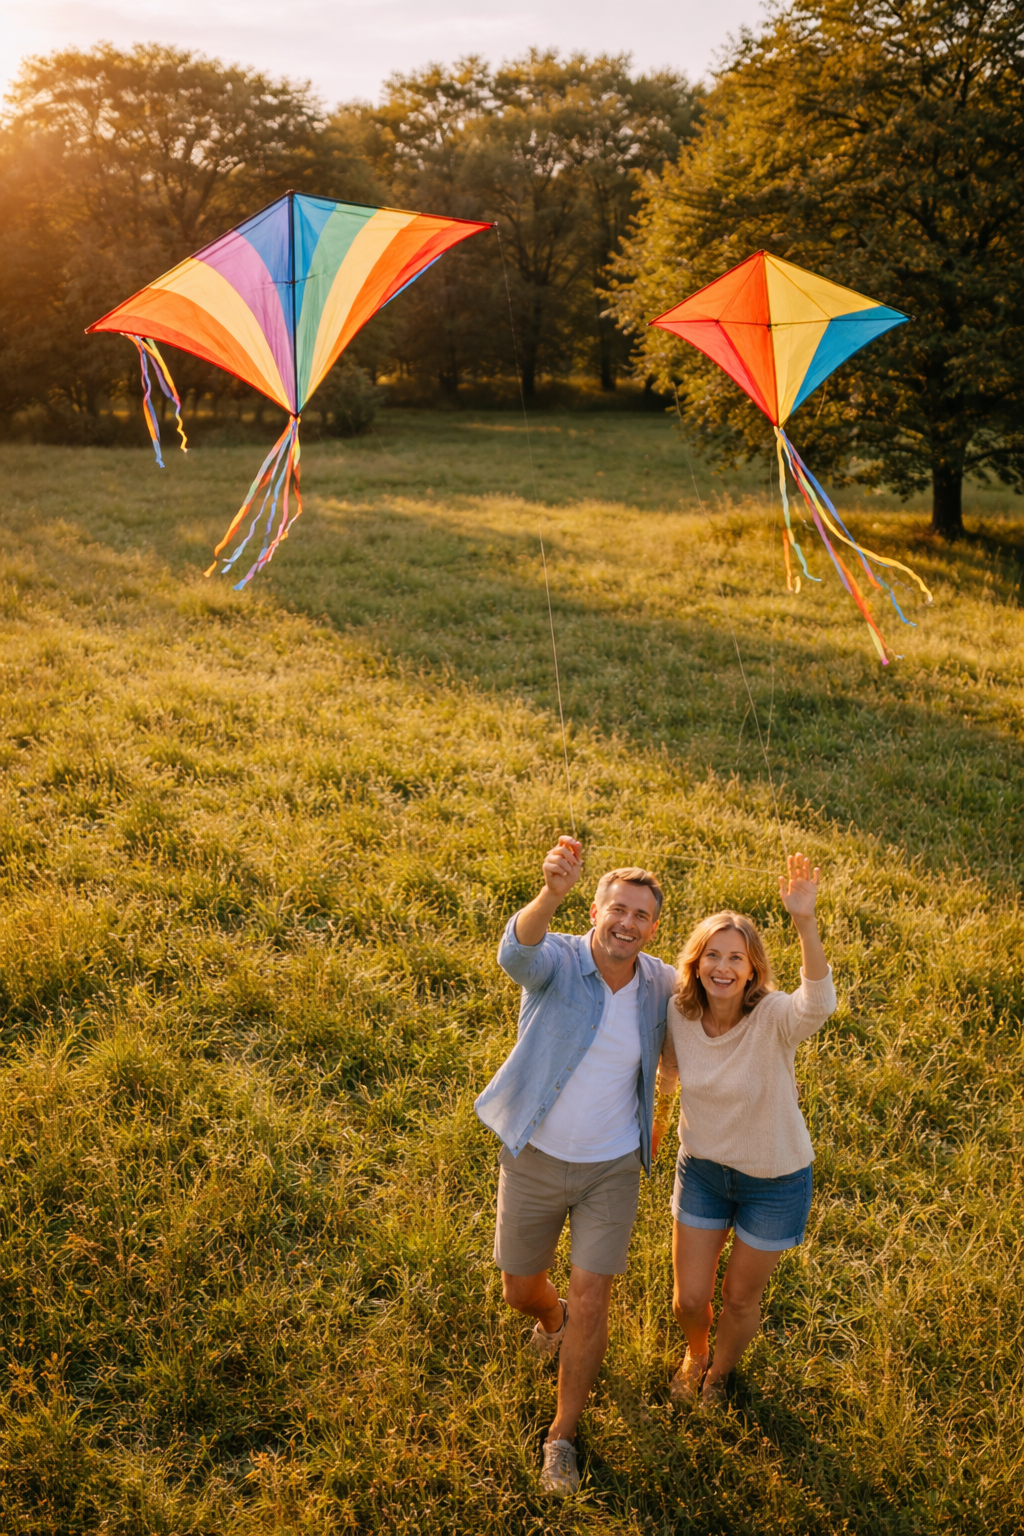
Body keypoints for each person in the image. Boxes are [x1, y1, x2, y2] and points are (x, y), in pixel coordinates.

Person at [475, 837, 676, 1497]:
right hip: (532, 1154)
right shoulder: (558, 958)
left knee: (594, 1298)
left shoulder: (660, 984)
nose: (627, 924)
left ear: (653, 926)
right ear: (595, 909)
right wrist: (550, 891)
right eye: (617, 909)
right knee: (519, 1290)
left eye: (641, 915)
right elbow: (514, 952)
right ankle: (549, 1319)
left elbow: (721, 1003)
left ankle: (560, 1439)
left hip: (609, 1170)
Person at [654, 852, 835, 1408]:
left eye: (736, 957)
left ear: (753, 968)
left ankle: (718, 1376)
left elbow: (818, 1004)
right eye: (713, 955)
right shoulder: (679, 1015)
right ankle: (695, 1351)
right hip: (704, 1170)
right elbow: (667, 1073)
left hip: (775, 1179)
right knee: (689, 1301)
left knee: (738, 1297)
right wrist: (657, 1126)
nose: (723, 966)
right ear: (697, 962)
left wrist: (805, 922)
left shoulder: (775, 1017)